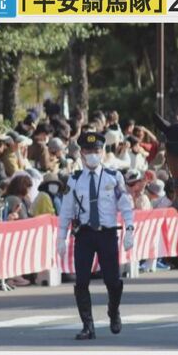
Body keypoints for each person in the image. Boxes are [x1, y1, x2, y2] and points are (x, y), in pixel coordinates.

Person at [57, 132, 135, 340]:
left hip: (107, 234)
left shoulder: (113, 176)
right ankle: (87, 325)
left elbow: (125, 206)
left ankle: (113, 310)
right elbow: (65, 211)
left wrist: (129, 229)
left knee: (113, 280)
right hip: (84, 235)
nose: (92, 155)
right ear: (81, 154)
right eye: (88, 151)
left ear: (102, 152)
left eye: (96, 151)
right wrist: (61, 238)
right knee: (81, 281)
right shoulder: (74, 180)